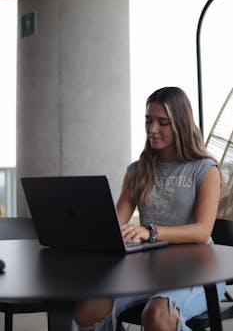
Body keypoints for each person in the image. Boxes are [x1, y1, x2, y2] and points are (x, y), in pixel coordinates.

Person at [73, 86, 225, 331]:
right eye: (148, 120)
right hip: (148, 270)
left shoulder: (205, 169)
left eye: (162, 122)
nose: (152, 129)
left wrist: (150, 231)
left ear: (180, 124)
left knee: (156, 315)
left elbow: (202, 231)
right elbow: (116, 225)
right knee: (86, 311)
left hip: (198, 271)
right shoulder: (138, 170)